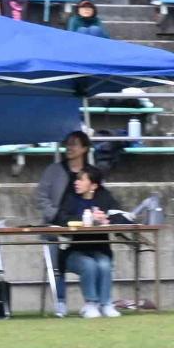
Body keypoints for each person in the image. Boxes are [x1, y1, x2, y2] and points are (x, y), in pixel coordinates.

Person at [35, 130, 97, 318]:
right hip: (55, 226)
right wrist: (54, 215)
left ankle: (97, 302)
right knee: (54, 257)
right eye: (68, 144)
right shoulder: (54, 170)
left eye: (74, 144)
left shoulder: (91, 173)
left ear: (84, 148)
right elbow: (40, 197)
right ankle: (60, 301)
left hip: (83, 229)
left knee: (99, 256)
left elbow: (100, 197)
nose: (69, 147)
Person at [53, 166, 124, 319]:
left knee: (104, 264)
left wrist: (106, 219)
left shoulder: (104, 198)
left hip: (100, 250)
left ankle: (105, 304)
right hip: (74, 252)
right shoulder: (70, 198)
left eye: (81, 179)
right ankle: (90, 303)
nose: (76, 182)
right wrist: (83, 219)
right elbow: (60, 218)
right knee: (88, 265)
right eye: (77, 179)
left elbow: (121, 216)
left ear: (93, 185)